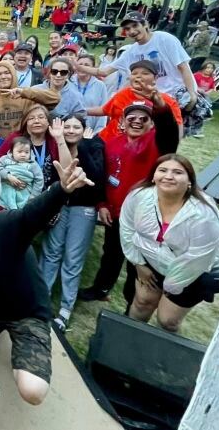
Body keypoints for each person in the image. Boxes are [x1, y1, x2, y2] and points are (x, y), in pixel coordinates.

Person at [0, 160, 95, 405]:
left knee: (33, 392)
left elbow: (32, 213)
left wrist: (61, 190)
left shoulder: (3, 225)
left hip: (29, 315)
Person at [78, 93, 181, 303]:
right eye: (131, 118)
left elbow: (169, 133)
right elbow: (103, 176)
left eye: (143, 119)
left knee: (139, 260)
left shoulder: (156, 143)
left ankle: (132, 299)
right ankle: (101, 288)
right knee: (111, 253)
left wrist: (161, 108)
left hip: (144, 215)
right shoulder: (112, 143)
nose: (136, 122)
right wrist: (102, 204)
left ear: (151, 123)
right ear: (123, 122)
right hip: (115, 211)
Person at [120, 154, 219, 332]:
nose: (168, 176)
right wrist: (138, 263)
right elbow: (127, 228)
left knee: (167, 320)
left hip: (191, 274)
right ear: (154, 177)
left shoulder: (206, 216)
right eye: (162, 170)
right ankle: (126, 339)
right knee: (141, 303)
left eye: (177, 172)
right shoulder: (139, 197)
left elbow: (196, 259)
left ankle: (157, 355)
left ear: (189, 182)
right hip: (150, 261)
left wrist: (170, 286)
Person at [39, 115, 105, 331]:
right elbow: (58, 176)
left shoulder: (94, 145)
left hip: (83, 209)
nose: (71, 130)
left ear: (85, 129)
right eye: (67, 126)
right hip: (61, 205)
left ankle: (66, 309)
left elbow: (95, 177)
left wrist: (83, 145)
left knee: (73, 258)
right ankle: (41, 299)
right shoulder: (55, 145)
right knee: (51, 253)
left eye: (76, 127)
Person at [86, 11, 197, 109]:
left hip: (179, 95)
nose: (132, 31)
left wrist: (192, 94)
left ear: (145, 24)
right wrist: (75, 65)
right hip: (156, 98)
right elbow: (104, 72)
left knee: (175, 130)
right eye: (128, 29)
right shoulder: (131, 51)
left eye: (135, 26)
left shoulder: (164, 39)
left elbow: (183, 67)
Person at [88, 60, 184, 142]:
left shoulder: (166, 101)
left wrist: (170, 150)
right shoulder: (123, 93)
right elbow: (104, 110)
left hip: (141, 151)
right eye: (134, 73)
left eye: (145, 73)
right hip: (107, 142)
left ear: (155, 78)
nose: (138, 76)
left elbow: (177, 130)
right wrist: (79, 111)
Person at [0, 61, 60, 138]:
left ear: (13, 75)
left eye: (7, 73)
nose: (3, 77)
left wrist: (24, 93)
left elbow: (55, 99)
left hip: (23, 145)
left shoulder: (26, 94)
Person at [0, 136, 44, 209]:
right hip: (7, 188)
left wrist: (33, 196)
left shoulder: (33, 164)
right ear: (12, 152)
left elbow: (39, 180)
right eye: (19, 152)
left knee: (24, 212)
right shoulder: (5, 159)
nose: (23, 155)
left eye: (26, 152)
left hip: (25, 192)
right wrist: (8, 176)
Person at [70, 55, 108, 133]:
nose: (82, 68)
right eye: (80, 65)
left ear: (93, 68)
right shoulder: (68, 82)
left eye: (87, 65)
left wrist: (98, 132)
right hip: (70, 130)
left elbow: (104, 110)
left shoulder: (100, 85)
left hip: (91, 132)